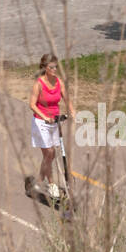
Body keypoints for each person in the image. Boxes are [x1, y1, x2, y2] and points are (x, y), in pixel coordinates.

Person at [29, 53, 74, 200]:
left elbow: (67, 99)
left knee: (52, 154)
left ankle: (38, 182)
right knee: (49, 153)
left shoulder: (59, 82)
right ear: (45, 68)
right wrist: (45, 117)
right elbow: (32, 105)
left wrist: (72, 111)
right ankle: (51, 183)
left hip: (55, 121)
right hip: (41, 122)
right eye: (52, 67)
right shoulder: (39, 84)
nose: (55, 69)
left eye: (56, 66)